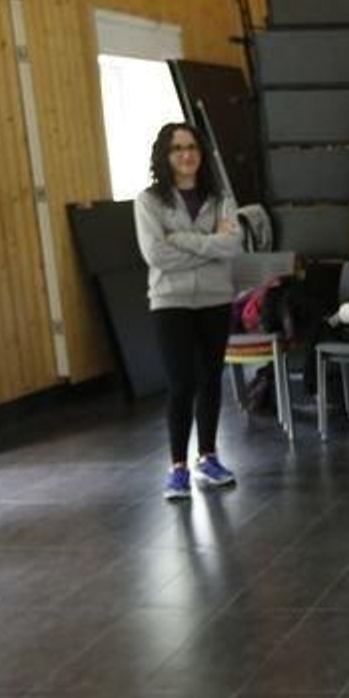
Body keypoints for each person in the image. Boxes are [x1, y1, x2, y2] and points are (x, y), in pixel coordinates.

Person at [133, 122, 242, 501]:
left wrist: (181, 240)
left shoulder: (220, 195)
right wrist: (209, 245)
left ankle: (208, 457)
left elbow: (233, 246)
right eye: (178, 148)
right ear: (165, 155)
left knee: (211, 379)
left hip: (215, 298)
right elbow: (155, 254)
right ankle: (177, 467)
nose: (186, 154)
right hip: (171, 301)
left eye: (192, 146)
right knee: (181, 383)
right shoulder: (149, 201)